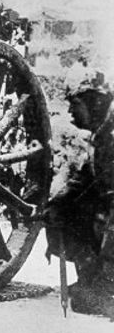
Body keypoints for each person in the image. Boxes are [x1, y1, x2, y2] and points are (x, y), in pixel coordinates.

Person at [45, 80, 114, 318]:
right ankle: (92, 279)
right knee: (68, 212)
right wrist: (58, 204)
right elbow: (84, 179)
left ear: (94, 104)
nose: (71, 112)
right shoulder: (101, 135)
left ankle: (106, 287)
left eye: (75, 105)